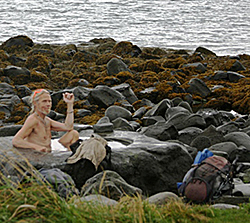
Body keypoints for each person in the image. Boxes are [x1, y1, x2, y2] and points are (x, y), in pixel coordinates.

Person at [12, 89, 79, 153]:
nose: (48, 104)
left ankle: (70, 154)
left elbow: (68, 127)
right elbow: (16, 140)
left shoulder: (46, 120)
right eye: (44, 101)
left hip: (50, 151)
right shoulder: (33, 119)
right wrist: (36, 147)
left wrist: (70, 104)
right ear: (35, 103)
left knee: (73, 133)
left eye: (49, 101)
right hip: (38, 155)